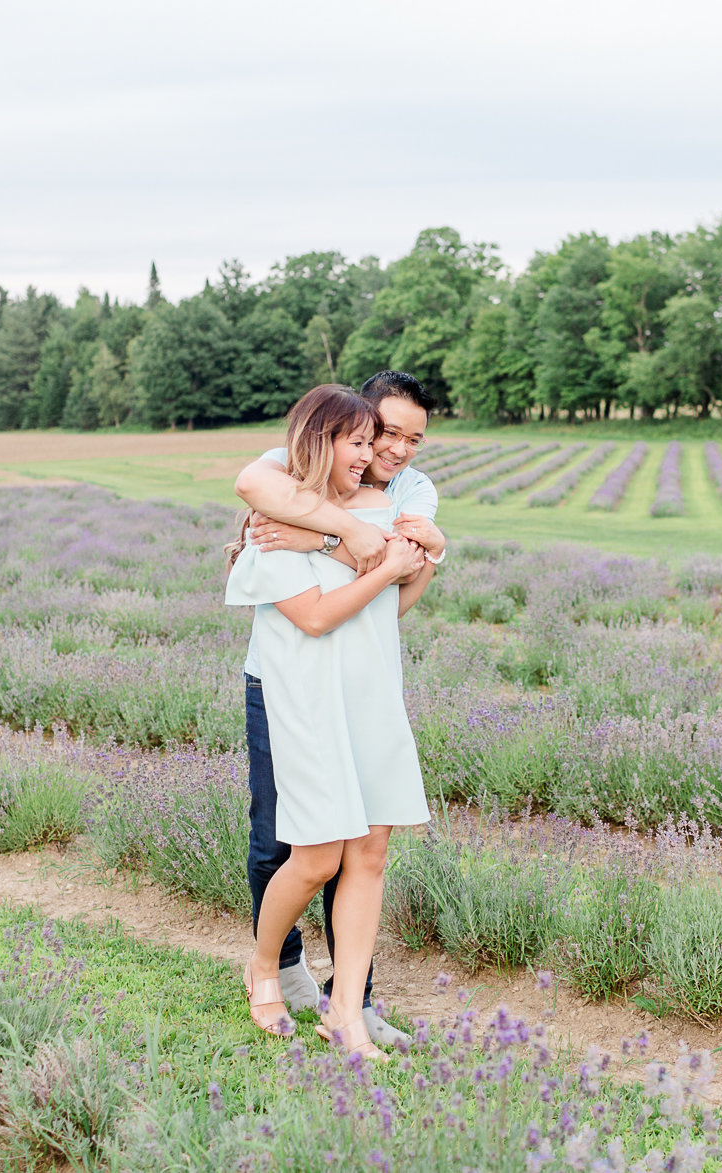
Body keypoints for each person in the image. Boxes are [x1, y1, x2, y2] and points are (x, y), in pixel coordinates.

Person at [232, 371, 443, 1047]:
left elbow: (398, 596)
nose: (391, 449)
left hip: (369, 691)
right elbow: (317, 612)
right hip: (293, 689)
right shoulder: (280, 504)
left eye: (414, 437)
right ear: (343, 431)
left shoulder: (405, 497)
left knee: (367, 850)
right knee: (292, 846)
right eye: (378, 435)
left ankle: (349, 1008)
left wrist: (423, 554)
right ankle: (273, 966)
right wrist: (348, 543)